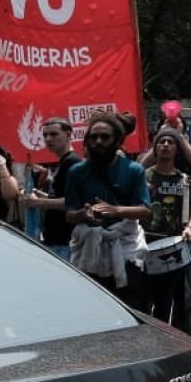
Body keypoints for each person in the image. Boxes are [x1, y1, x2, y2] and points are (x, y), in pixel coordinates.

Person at [64, 111, 152, 304]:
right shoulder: (77, 172)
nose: (98, 141)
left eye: (105, 137)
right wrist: (82, 214)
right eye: (93, 137)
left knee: (131, 307)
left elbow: (145, 210)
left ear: (118, 141)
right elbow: (69, 214)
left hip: (126, 248)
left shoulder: (133, 170)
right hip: (89, 249)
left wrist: (115, 210)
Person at [136, 128, 191, 334]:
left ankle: (165, 339)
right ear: (154, 148)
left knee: (167, 301)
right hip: (144, 245)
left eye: (170, 142)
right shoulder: (142, 176)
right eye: (161, 142)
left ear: (177, 149)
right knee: (142, 300)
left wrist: (189, 228)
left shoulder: (185, 181)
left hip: (173, 248)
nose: (165, 145)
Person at [22, 118, 83, 262]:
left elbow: (72, 202)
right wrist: (40, 195)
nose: (48, 139)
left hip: (64, 240)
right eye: (45, 135)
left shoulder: (71, 162)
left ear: (68, 135)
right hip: (56, 239)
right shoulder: (64, 161)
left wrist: (37, 202)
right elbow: (61, 195)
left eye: (54, 134)